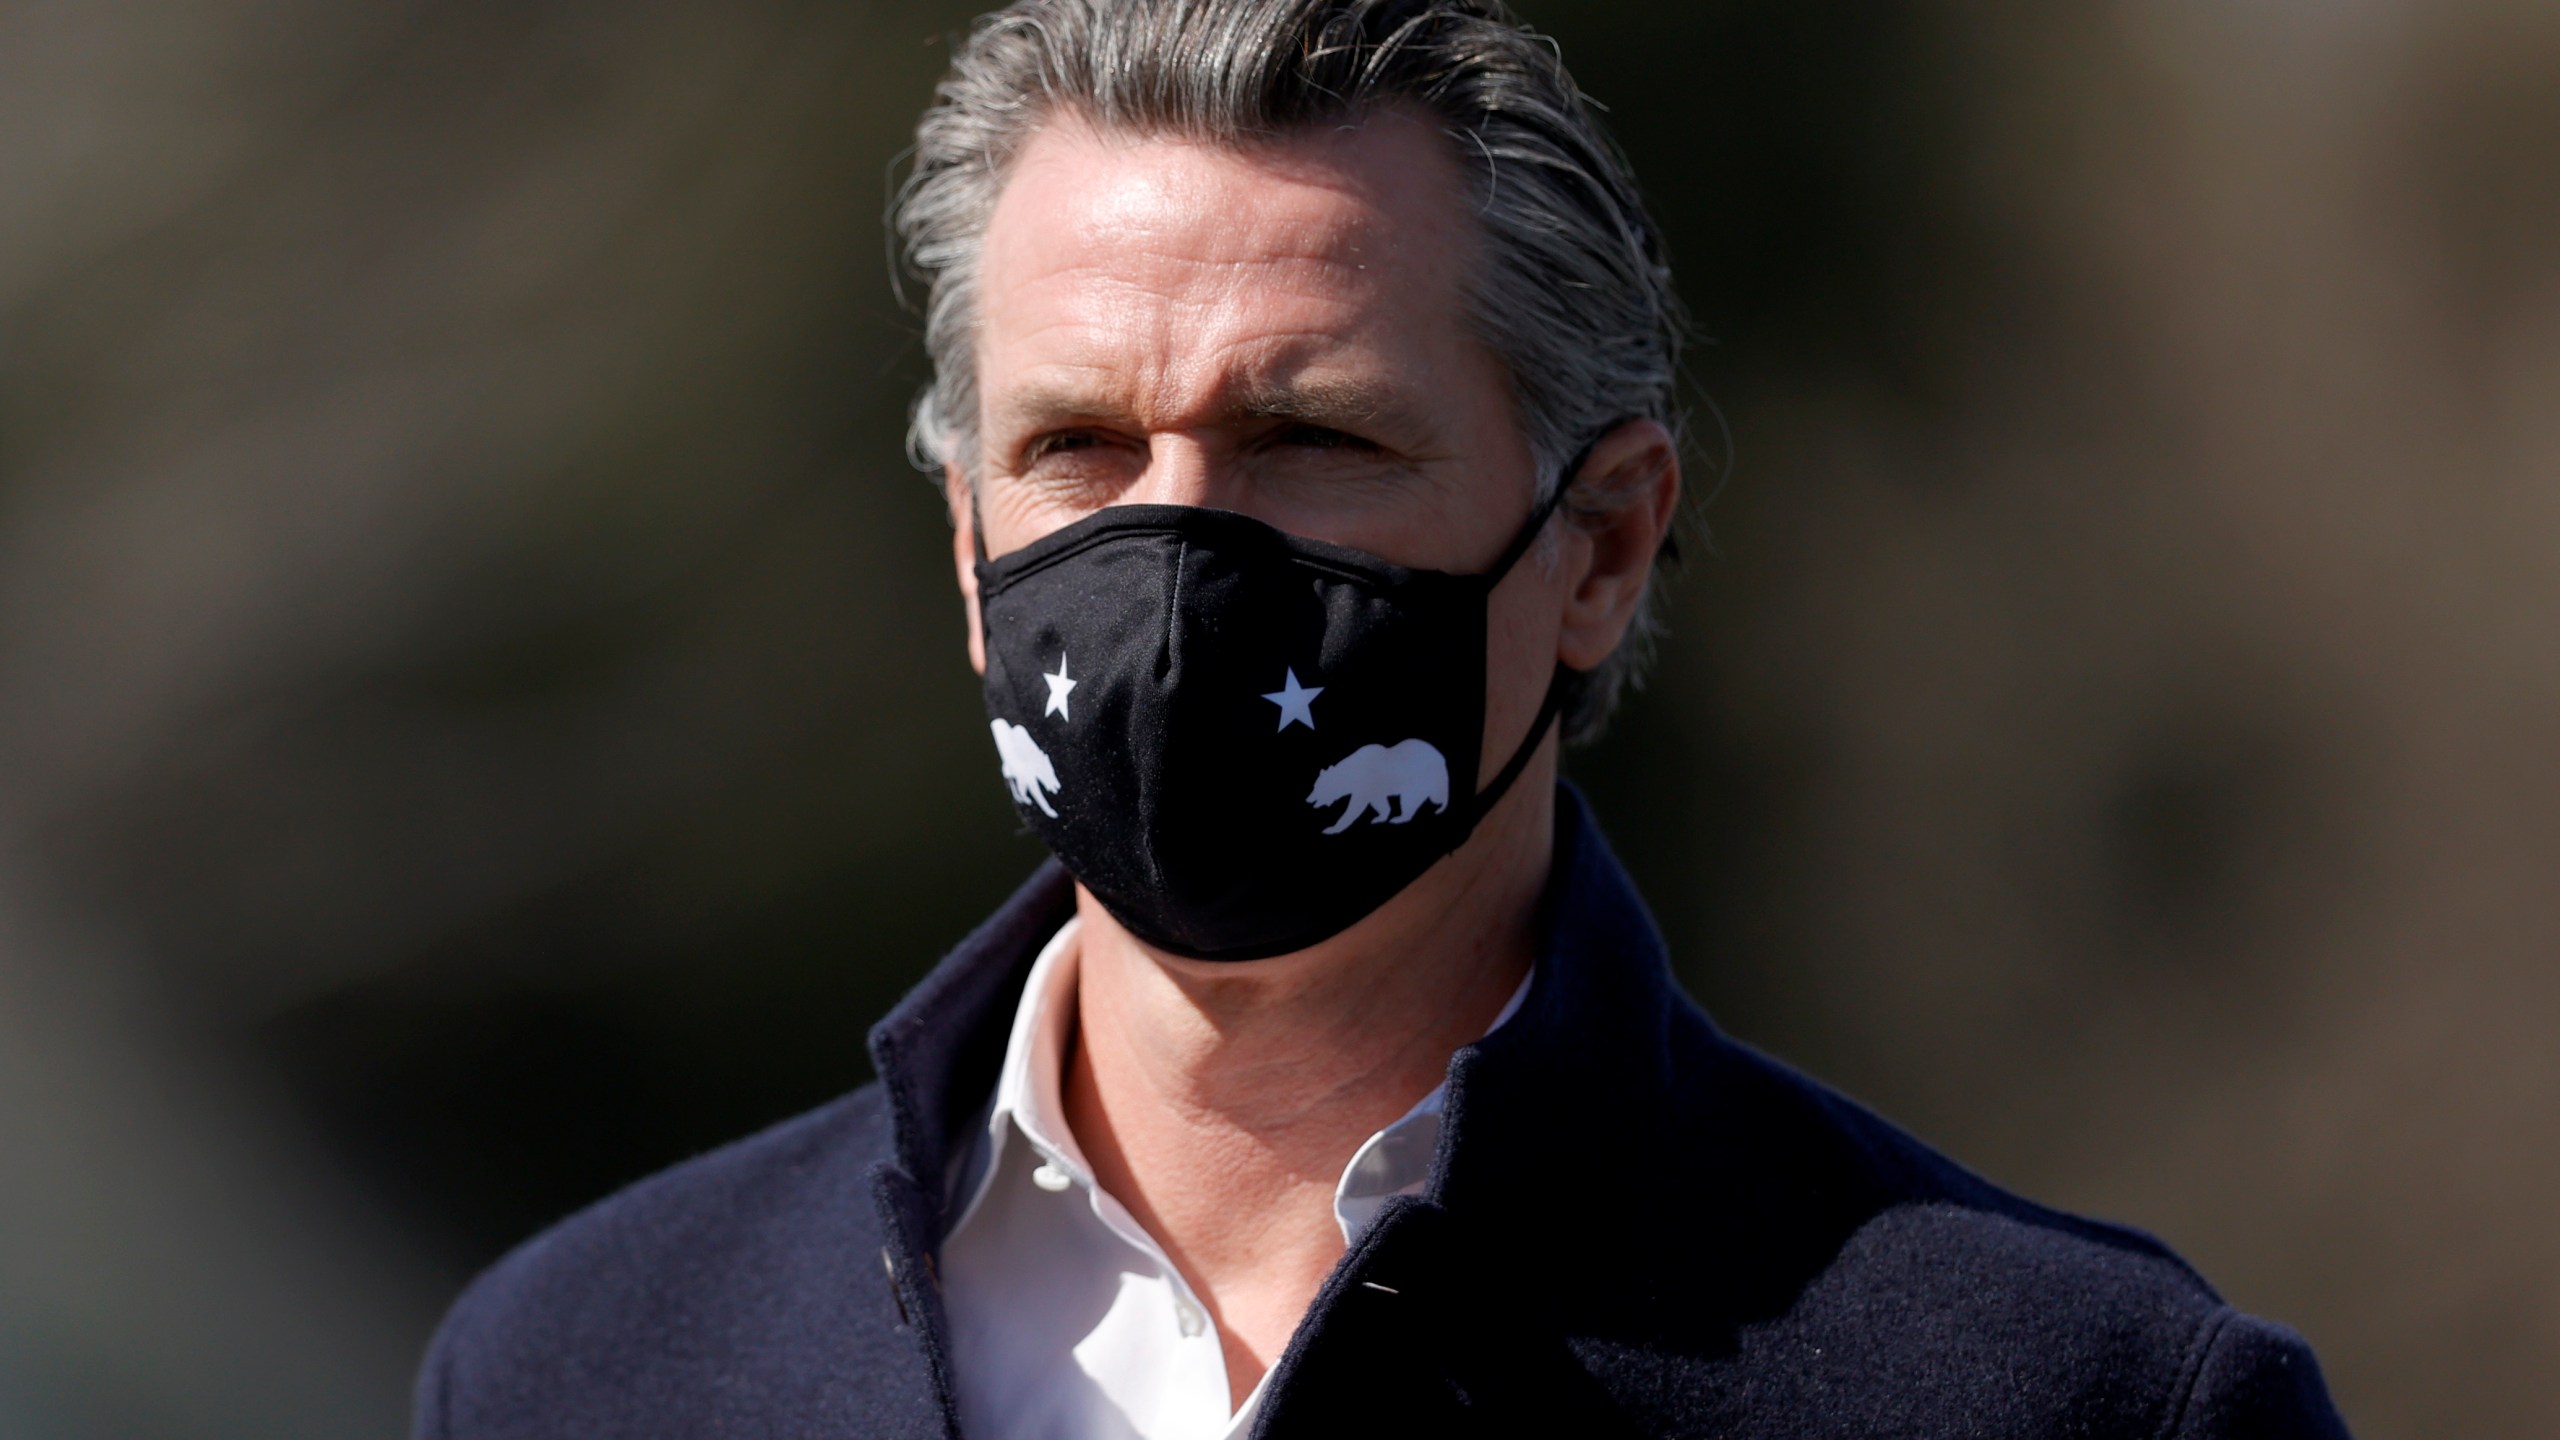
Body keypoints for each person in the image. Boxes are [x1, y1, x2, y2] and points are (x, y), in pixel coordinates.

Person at [413, 2, 2352, 1436]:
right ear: (963, 537)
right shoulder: (586, 1362)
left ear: (1600, 544)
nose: (1176, 546)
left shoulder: (2070, 1409)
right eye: (1078, 446)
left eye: (1308, 437)